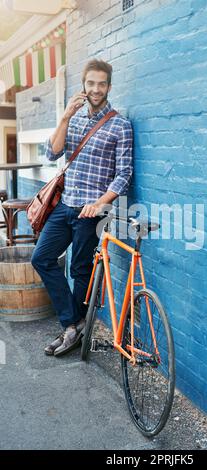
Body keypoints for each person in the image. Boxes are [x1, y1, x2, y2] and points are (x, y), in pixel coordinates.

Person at [31, 59, 133, 357]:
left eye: (102, 84)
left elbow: (124, 174)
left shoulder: (120, 125)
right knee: (42, 257)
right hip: (64, 206)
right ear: (84, 86)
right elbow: (51, 153)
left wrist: (100, 203)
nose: (96, 89)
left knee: (80, 269)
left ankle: (71, 330)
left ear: (109, 86)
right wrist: (64, 117)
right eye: (91, 83)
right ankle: (73, 323)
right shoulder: (73, 119)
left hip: (92, 211)